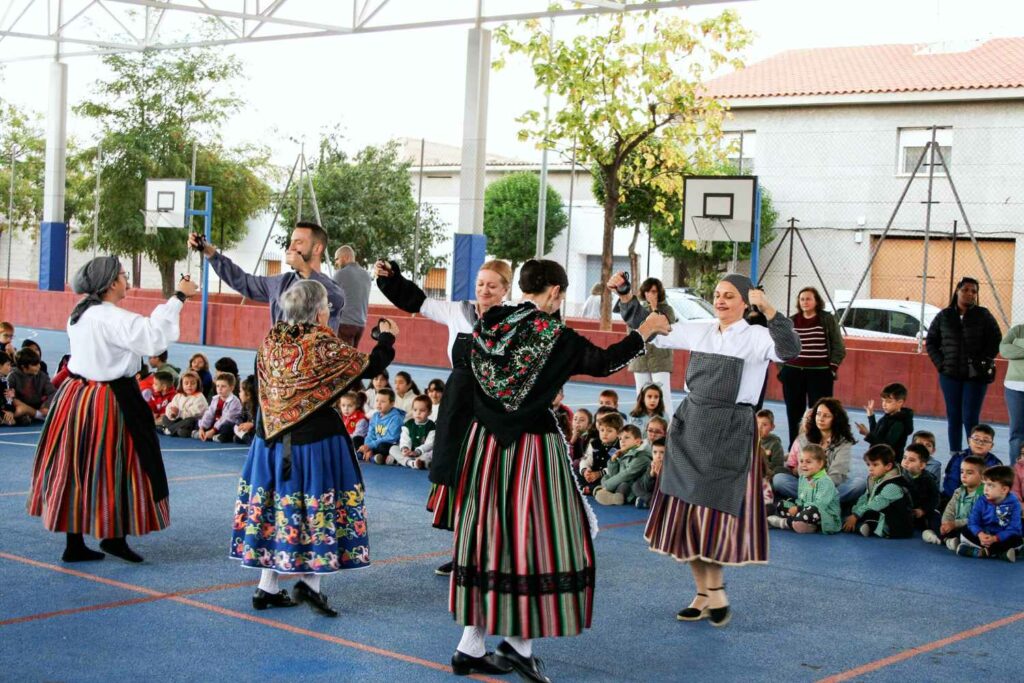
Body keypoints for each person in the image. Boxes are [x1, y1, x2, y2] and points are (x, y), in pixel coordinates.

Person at [449, 259, 668, 679]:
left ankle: (470, 644)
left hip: (485, 445)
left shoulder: (492, 320)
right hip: (532, 450)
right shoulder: (555, 337)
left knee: (490, 538)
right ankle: (517, 645)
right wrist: (645, 332)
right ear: (554, 291)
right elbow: (605, 362)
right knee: (541, 541)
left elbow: (463, 358)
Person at [633, 272, 800, 628]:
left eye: (728, 296)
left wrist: (770, 310)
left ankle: (715, 589)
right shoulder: (701, 329)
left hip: (729, 430)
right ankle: (705, 594)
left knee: (711, 516)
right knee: (688, 516)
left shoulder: (757, 337)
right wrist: (628, 301)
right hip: (691, 426)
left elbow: (791, 350)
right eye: (717, 294)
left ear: (746, 301)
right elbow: (653, 333)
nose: (720, 300)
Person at [230, 280, 397, 615]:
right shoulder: (321, 344)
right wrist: (388, 338)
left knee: (277, 509)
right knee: (317, 507)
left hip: (269, 442)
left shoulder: (272, 340)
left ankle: (267, 586)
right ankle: (310, 584)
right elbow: (369, 366)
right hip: (313, 442)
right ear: (319, 311)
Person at [28, 256, 198, 563]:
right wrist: (180, 297)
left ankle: (78, 541)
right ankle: (113, 537)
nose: (126, 279)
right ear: (110, 284)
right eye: (122, 274)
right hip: (108, 397)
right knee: (119, 462)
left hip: (76, 395)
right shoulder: (110, 317)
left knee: (77, 465)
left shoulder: (81, 313)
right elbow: (153, 338)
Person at [374, 257, 512, 577]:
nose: (484, 290)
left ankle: (491, 553)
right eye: (480, 284)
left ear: (506, 289)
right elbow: (416, 300)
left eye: (492, 285)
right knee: (457, 478)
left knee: (489, 478)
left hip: (494, 408)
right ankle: (463, 553)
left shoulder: (516, 319)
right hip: (458, 406)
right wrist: (391, 276)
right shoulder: (456, 311)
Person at [190, 222, 347, 330]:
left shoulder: (331, 289)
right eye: (291, 242)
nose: (290, 247)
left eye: (298, 242)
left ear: (317, 248)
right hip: (280, 369)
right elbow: (242, 281)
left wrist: (305, 269)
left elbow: (336, 300)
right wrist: (209, 252)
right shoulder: (280, 283)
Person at [926, 276, 1001, 452]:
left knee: (970, 417)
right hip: (949, 375)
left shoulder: (983, 315)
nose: (970, 294)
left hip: (976, 376)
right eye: (965, 290)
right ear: (957, 291)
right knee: (954, 417)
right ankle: (955, 456)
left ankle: (973, 455)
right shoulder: (944, 315)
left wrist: (982, 360)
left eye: (974, 291)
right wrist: (941, 364)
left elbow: (996, 339)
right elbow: (931, 342)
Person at [778, 287, 846, 444]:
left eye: (808, 299)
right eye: (802, 299)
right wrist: (783, 370)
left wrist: (832, 368)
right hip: (793, 373)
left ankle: (819, 449)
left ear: (816, 301)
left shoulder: (826, 319)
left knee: (821, 414)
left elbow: (838, 346)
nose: (805, 302)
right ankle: (794, 450)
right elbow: (781, 346)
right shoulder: (792, 321)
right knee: (794, 414)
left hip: (820, 374)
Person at [774, 398, 863, 506]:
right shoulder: (804, 438)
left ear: (836, 419)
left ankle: (809, 501)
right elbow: (802, 468)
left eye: (826, 416)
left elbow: (838, 472)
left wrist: (820, 486)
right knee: (779, 480)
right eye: (818, 414)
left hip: (831, 485)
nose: (820, 419)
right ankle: (825, 502)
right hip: (807, 484)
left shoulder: (843, 442)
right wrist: (810, 483)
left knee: (859, 484)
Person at [614, 276, 678, 414]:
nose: (651, 294)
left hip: (660, 359)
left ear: (659, 293)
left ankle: (668, 430)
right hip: (641, 358)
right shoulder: (638, 309)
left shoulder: (667, 309)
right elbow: (633, 330)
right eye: (648, 291)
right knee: (642, 396)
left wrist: (654, 308)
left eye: (654, 291)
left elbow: (666, 329)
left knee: (663, 396)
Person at [842, 445, 913, 539]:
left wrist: (855, 516)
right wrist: (854, 512)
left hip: (896, 526)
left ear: (888, 466)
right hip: (880, 512)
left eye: (875, 465)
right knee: (852, 509)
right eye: (868, 464)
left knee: (869, 514)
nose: (870, 468)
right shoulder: (875, 478)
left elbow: (876, 504)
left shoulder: (893, 486)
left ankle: (867, 526)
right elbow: (865, 497)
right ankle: (862, 524)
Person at [767, 443, 841, 534]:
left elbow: (820, 504)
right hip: (804, 509)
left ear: (820, 464)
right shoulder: (803, 477)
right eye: (801, 461)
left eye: (808, 462)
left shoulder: (825, 482)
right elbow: (801, 499)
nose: (803, 465)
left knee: (811, 510)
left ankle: (785, 523)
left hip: (824, 515)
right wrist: (795, 506)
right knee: (782, 504)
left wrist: (798, 509)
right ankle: (803, 524)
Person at [956, 465, 1022, 562]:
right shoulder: (981, 500)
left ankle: (982, 552)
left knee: (1017, 539)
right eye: (985, 484)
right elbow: (973, 521)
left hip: (1002, 537)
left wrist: (996, 538)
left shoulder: (1014, 503)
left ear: (1004, 490)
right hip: (984, 535)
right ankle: (1001, 553)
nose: (985, 489)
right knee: (965, 530)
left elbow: (1014, 528)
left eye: (991, 485)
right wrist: (980, 534)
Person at [924, 454, 986, 550]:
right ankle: (947, 539)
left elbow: (976, 519)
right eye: (961, 472)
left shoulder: (983, 495)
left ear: (982, 477)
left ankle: (940, 538)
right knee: (933, 515)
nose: (964, 476)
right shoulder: (958, 491)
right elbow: (950, 509)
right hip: (952, 525)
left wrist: (954, 524)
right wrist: (945, 523)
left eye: (969, 473)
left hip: (967, 526)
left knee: (969, 530)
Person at [941, 424, 1002, 508]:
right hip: (954, 500)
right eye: (976, 439)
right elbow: (951, 482)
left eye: (985, 441)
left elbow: (995, 489)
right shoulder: (959, 458)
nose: (980, 443)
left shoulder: (995, 464)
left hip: (983, 504)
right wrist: (959, 500)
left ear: (991, 446)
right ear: (969, 441)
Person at [594, 424, 652, 506]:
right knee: (606, 477)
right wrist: (613, 461)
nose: (622, 441)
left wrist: (606, 486)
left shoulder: (642, 457)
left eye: (626, 438)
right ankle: (608, 493)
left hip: (633, 489)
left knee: (623, 484)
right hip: (622, 483)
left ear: (637, 441)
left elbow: (626, 475)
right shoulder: (626, 453)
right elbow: (614, 474)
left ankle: (614, 496)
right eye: (620, 438)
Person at [855, 383, 914, 454]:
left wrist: (867, 435)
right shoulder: (887, 417)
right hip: (881, 459)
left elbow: (886, 446)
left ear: (900, 402)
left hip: (890, 462)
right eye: (883, 400)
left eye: (888, 401)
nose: (884, 404)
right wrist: (871, 416)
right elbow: (876, 434)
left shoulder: (899, 422)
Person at [332, 244, 372, 346]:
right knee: (352, 358)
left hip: (344, 324)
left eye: (337, 259)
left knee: (342, 360)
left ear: (346, 257)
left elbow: (330, 297)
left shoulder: (340, 274)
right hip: (360, 325)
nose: (336, 263)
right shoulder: (366, 275)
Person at [578, 411, 623, 495]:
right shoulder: (594, 443)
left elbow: (618, 468)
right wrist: (585, 471)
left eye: (609, 431)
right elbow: (587, 459)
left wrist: (599, 474)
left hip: (606, 475)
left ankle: (593, 489)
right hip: (592, 473)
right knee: (576, 469)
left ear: (618, 433)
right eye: (602, 430)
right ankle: (585, 487)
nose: (604, 433)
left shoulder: (620, 446)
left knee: (610, 480)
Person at [9, 347, 56, 425]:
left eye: (39, 363)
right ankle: (35, 415)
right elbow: (7, 396)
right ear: (23, 366)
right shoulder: (12, 377)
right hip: (17, 407)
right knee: (15, 400)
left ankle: (31, 413)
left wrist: (46, 405)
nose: (39, 366)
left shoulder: (41, 376)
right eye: (34, 365)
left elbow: (53, 392)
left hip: (37, 407)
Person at [388, 394, 436, 469]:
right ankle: (411, 463)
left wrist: (417, 451)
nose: (418, 413)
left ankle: (401, 461)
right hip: (409, 452)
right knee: (393, 448)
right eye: (415, 410)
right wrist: (405, 449)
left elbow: (430, 444)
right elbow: (404, 439)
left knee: (432, 453)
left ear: (429, 412)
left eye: (422, 410)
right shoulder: (408, 424)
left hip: (422, 452)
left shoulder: (432, 426)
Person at [901, 443, 940, 534]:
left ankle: (939, 535)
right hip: (906, 509)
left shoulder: (928, 479)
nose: (906, 462)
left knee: (935, 518)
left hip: (921, 511)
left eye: (911, 460)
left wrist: (923, 510)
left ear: (922, 465)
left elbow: (935, 498)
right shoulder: (899, 474)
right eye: (904, 457)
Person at [999, 322, 1024, 462]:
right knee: (1017, 432)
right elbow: (1004, 350)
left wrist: (1018, 347)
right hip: (1014, 388)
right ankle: (1015, 473)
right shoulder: (1018, 330)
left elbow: (1011, 349)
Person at [358, 388, 404, 464]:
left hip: (389, 444)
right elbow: (370, 434)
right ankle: (370, 455)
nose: (379, 404)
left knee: (382, 446)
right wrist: (367, 446)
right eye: (377, 400)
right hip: (374, 444)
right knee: (357, 439)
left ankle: (371, 456)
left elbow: (391, 438)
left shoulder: (396, 418)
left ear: (392, 403)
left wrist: (370, 446)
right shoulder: (375, 416)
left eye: (383, 402)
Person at [194, 373, 243, 443]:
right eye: (217, 386)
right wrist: (202, 428)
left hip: (226, 424)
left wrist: (213, 430)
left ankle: (216, 436)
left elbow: (226, 418)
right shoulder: (215, 399)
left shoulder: (235, 401)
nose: (219, 389)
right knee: (199, 421)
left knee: (226, 428)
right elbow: (209, 414)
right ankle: (204, 434)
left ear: (231, 388)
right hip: (215, 424)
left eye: (223, 386)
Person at [159, 371, 208, 437]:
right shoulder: (179, 395)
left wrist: (179, 412)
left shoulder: (199, 397)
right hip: (179, 421)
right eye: (186, 383)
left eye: (193, 383)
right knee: (165, 417)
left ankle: (169, 430)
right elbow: (170, 406)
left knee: (189, 421)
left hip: (192, 422)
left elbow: (195, 413)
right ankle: (174, 430)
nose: (189, 385)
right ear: (182, 384)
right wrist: (171, 413)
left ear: (197, 384)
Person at [633, 437, 666, 510]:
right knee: (636, 485)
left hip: (665, 494)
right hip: (652, 494)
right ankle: (650, 501)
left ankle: (648, 502)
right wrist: (651, 474)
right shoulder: (652, 465)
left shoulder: (671, 466)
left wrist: (659, 475)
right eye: (655, 452)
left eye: (662, 452)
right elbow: (646, 486)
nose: (658, 456)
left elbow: (668, 487)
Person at [757, 409, 787, 480]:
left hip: (767, 475)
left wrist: (764, 459)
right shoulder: (749, 439)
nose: (759, 427)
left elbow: (778, 466)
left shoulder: (775, 444)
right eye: (757, 423)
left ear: (772, 427)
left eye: (764, 425)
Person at [233, 376, 257, 445]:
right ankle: (248, 438)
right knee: (235, 433)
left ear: (248, 394)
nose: (239, 394)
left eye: (240, 391)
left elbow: (261, 422)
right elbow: (241, 417)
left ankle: (251, 441)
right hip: (249, 430)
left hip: (256, 430)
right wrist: (240, 424)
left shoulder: (257, 407)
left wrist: (252, 425)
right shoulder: (246, 405)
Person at [0, 351, 15, 426]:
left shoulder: (4, 381)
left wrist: (9, 411)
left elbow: (8, 398)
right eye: (8, 365)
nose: (10, 367)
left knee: (12, 420)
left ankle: (5, 417)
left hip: (2, 409)